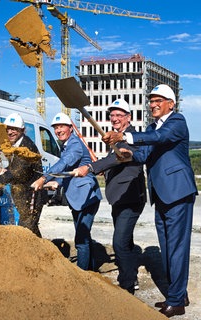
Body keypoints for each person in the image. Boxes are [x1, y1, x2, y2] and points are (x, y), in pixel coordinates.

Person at [102, 84, 198, 318]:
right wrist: (124, 151)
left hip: (178, 192)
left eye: (158, 100)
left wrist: (123, 135)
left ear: (171, 104)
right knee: (167, 247)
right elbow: (143, 154)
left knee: (176, 248)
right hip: (160, 195)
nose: (153, 104)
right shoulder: (152, 127)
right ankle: (179, 292)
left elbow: (159, 138)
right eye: (151, 100)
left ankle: (176, 301)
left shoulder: (177, 122)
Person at [73, 99, 146, 294]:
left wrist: (90, 167)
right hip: (118, 198)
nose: (114, 118)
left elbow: (117, 157)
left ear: (128, 118)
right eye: (112, 115)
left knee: (119, 243)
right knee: (127, 241)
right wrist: (104, 170)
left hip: (131, 197)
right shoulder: (114, 139)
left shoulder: (134, 137)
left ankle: (126, 287)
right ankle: (132, 277)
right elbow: (113, 162)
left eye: (119, 115)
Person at [31, 113, 102, 271]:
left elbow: (65, 163)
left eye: (61, 126)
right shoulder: (67, 145)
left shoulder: (74, 144)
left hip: (87, 196)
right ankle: (92, 270)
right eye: (56, 128)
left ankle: (82, 274)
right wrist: (56, 182)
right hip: (78, 197)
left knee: (81, 239)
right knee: (83, 236)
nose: (58, 130)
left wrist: (44, 178)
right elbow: (69, 170)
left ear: (70, 128)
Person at [0, 112, 47, 237]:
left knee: (26, 231)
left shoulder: (26, 147)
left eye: (14, 129)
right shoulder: (16, 145)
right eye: (8, 129)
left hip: (32, 195)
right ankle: (45, 254)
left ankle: (42, 255)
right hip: (23, 195)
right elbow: (15, 167)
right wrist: (5, 170)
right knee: (30, 230)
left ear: (22, 130)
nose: (10, 132)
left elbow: (17, 170)